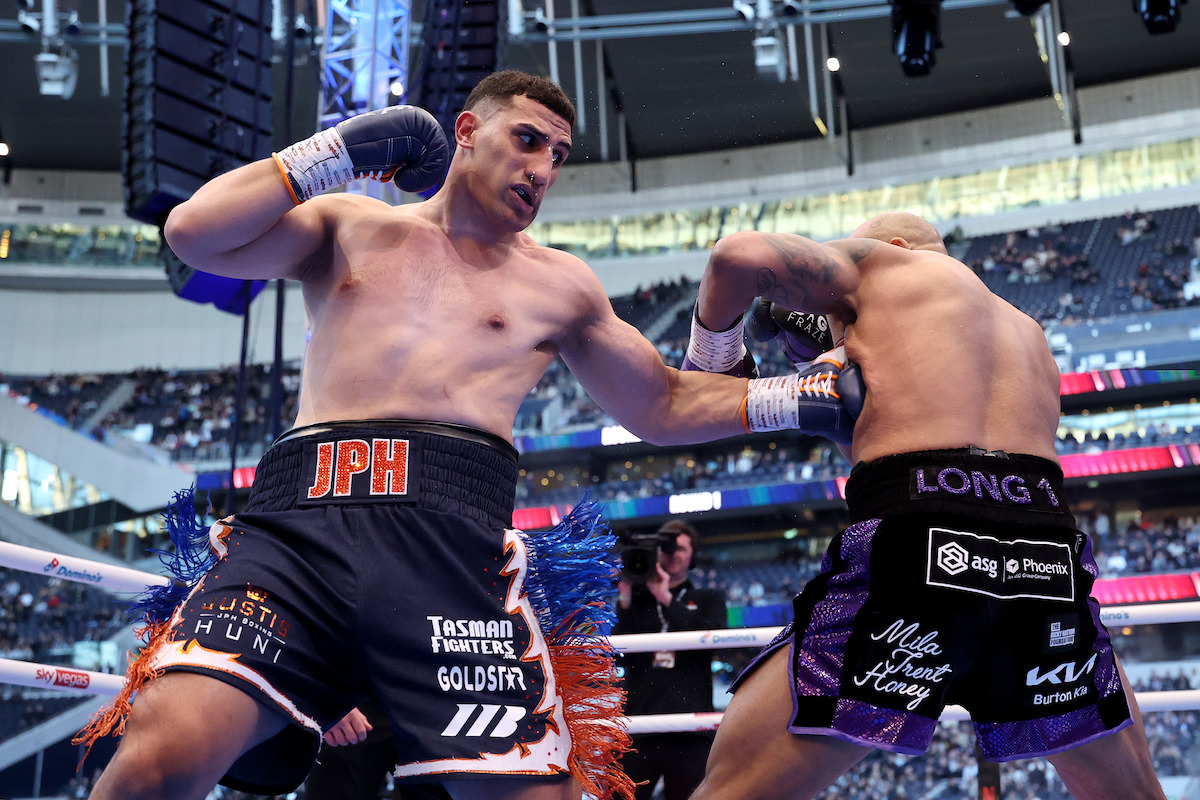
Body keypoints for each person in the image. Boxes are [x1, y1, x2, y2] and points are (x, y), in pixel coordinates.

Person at [74, 71, 853, 800]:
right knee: (157, 762)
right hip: (297, 539)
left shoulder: (559, 283)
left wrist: (804, 393)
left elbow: (663, 404)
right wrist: (340, 152)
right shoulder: (352, 225)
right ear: (468, 131)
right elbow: (193, 233)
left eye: (560, 156)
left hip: (449, 556)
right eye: (528, 140)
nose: (544, 168)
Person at [686, 211, 1167, 800]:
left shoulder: (883, 266)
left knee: (731, 790)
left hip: (920, 549)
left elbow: (737, 255)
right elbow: (925, 454)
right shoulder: (1027, 334)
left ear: (889, 245)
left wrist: (717, 356)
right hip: (1045, 560)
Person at [613, 520, 727, 800]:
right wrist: (625, 598)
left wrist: (666, 598)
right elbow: (618, 654)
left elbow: (713, 643)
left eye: (680, 548)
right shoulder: (636, 603)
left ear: (693, 555)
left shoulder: (708, 597)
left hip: (690, 731)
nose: (672, 554)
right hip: (639, 729)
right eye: (665, 548)